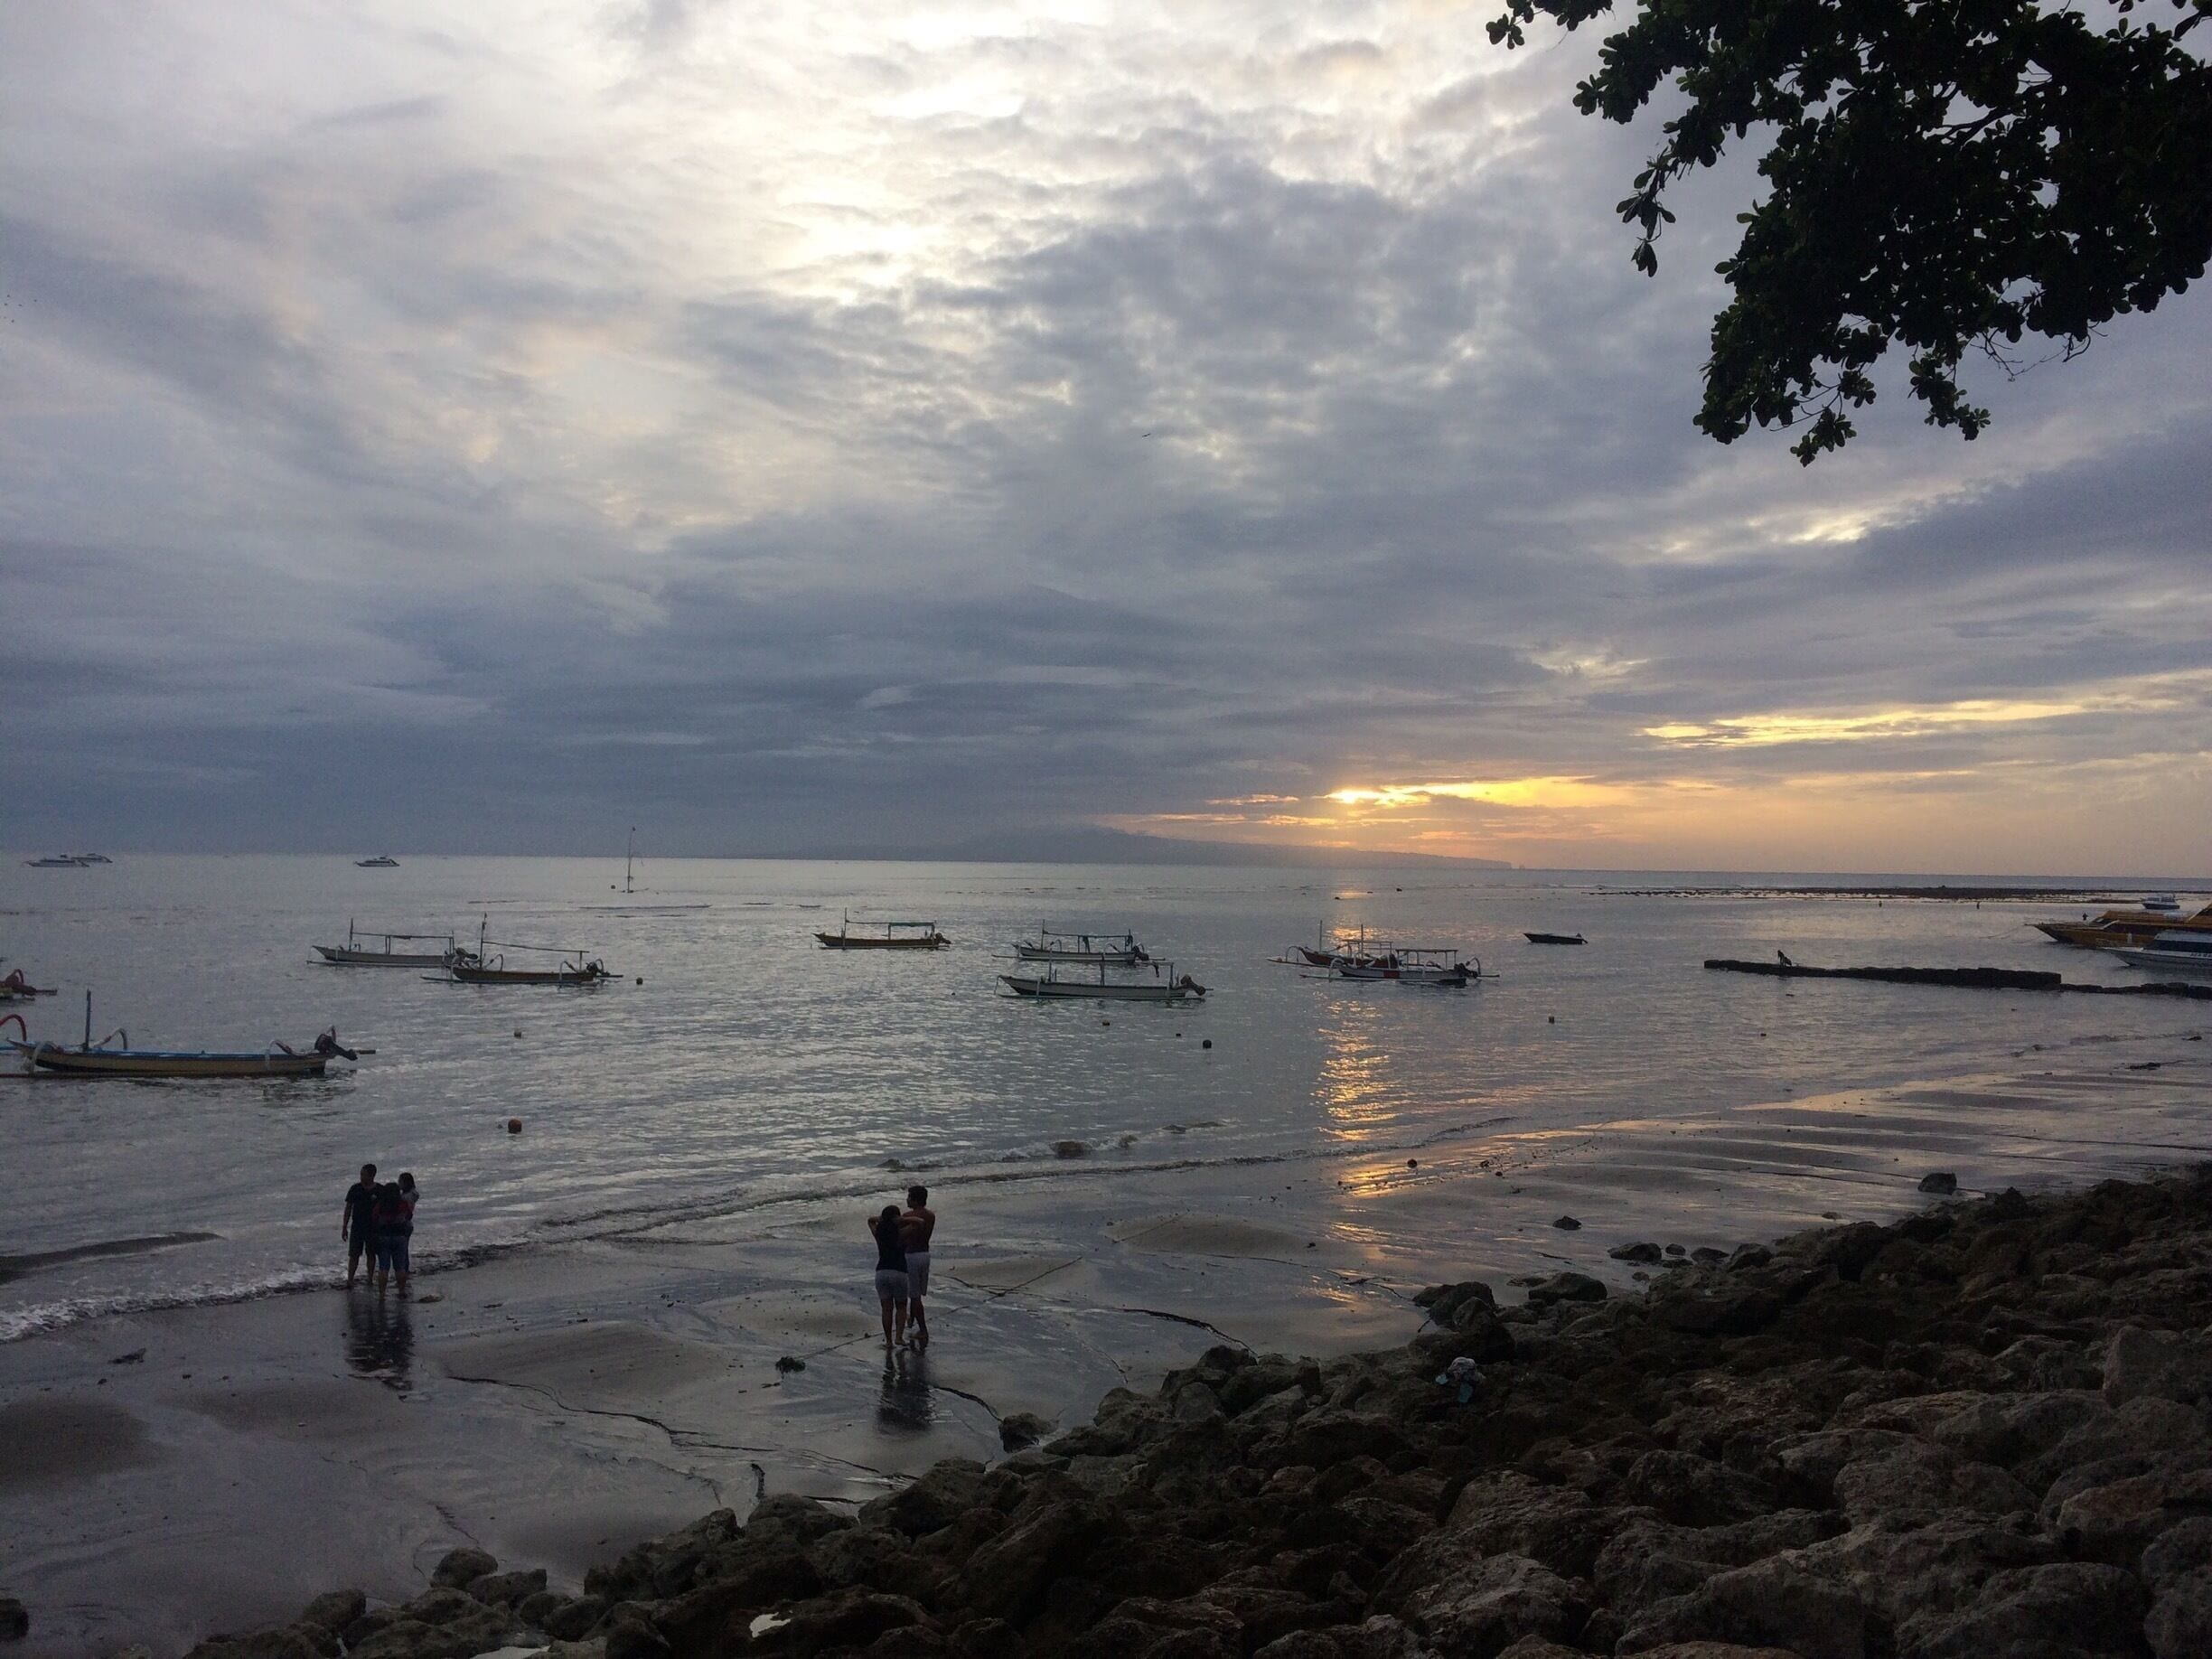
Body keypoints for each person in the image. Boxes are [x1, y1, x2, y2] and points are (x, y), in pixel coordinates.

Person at [897, 1186, 937, 1345]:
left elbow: (901, 1237)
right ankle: (912, 1320)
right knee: (917, 1292)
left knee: (914, 1295)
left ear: (914, 1199)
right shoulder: (931, 1215)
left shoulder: (908, 1216)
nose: (907, 1199)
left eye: (909, 1197)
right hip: (925, 1254)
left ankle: (923, 1329)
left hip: (912, 1255)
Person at [868, 1204, 909, 1350]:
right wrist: (902, 1220)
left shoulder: (879, 1234)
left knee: (886, 1309)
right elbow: (919, 1223)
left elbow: (870, 1221)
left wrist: (881, 1219)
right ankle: (899, 1337)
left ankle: (889, 1341)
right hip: (899, 1271)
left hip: (881, 1272)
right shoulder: (901, 1234)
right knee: (901, 1306)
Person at [370, 1176, 415, 1296]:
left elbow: (374, 1218)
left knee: (383, 1268)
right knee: (400, 1268)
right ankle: (401, 1291)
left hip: (383, 1237)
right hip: (400, 1237)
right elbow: (409, 1216)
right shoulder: (403, 1204)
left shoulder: (381, 1205)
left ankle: (382, 1294)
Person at [342, 1163, 378, 1288]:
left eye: (363, 1175)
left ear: (371, 1176)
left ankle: (370, 1279)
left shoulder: (379, 1190)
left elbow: (384, 1209)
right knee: (354, 1255)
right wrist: (344, 1227)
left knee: (371, 1254)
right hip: (357, 1226)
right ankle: (350, 1280)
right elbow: (348, 1208)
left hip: (373, 1228)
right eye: (361, 1174)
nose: (361, 1177)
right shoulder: (355, 1189)